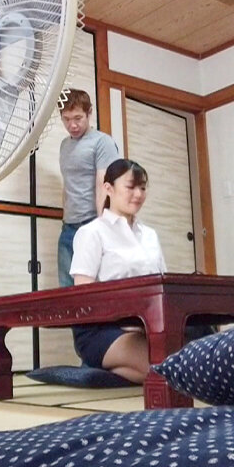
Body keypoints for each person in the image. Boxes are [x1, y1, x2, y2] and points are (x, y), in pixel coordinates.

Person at [69, 159, 164, 383]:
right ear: (108, 188)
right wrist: (128, 323)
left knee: (190, 359)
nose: (138, 194)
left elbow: (162, 286)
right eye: (130, 187)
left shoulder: (150, 235)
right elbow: (83, 295)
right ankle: (109, 365)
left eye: (143, 188)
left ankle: (116, 373)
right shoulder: (91, 232)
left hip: (148, 327)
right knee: (168, 368)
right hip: (102, 330)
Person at [57, 89, 119, 288]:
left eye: (78, 118)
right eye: (66, 119)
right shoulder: (64, 145)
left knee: (93, 287)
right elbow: (67, 183)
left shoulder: (102, 142)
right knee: (67, 287)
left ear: (89, 112)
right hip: (68, 226)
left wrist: (103, 226)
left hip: (92, 222)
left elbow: (104, 186)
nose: (72, 125)